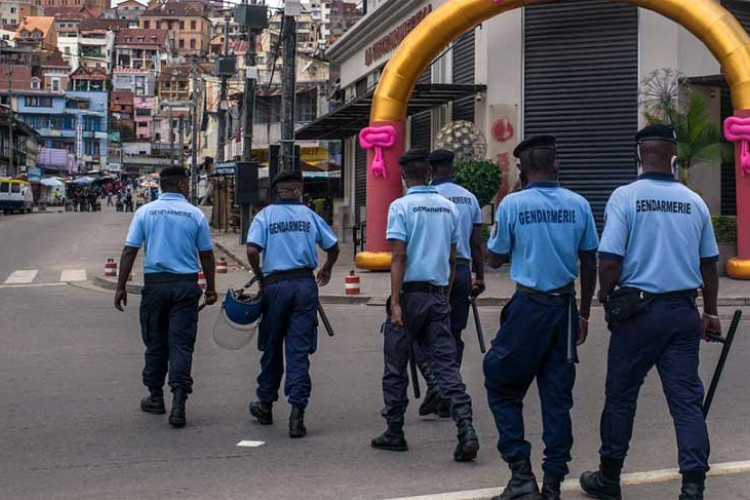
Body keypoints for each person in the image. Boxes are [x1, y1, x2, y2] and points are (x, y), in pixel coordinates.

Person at [580, 125, 721, 500]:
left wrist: (604, 297)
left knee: (621, 397)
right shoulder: (695, 201)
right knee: (686, 401)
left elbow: (609, 261)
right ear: (673, 158)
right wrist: (711, 312)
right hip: (683, 313)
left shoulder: (625, 197)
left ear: (639, 157)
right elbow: (709, 264)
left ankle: (609, 478)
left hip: (638, 316)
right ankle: (693, 486)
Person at [484, 135, 599, 500]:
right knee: (557, 398)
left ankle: (521, 473)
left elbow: (494, 259)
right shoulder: (578, 204)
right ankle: (552, 484)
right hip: (565, 310)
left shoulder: (513, 204)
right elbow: (589, 259)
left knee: (500, 384)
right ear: (557, 164)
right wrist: (583, 313)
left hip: (528, 309)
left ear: (521, 169)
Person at [371, 148, 480, 462]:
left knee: (395, 367)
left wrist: (395, 303)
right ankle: (466, 428)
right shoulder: (448, 208)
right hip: (437, 294)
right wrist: (443, 295)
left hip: (409, 295)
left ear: (405, 176)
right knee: (446, 365)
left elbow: (399, 256)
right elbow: (452, 256)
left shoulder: (401, 206)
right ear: (430, 174)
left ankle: (394, 430)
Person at [114, 167, 218, 428]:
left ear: (161, 186)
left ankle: (155, 397)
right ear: (182, 185)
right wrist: (212, 288)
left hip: (155, 287)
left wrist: (120, 286)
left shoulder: (145, 212)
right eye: (187, 183)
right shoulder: (195, 214)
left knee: (155, 343)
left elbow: (130, 251)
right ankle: (179, 404)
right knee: (182, 345)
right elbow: (206, 254)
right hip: (185, 287)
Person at [246, 170, 339, 438]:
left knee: (272, 347)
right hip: (304, 286)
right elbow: (333, 246)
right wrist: (328, 268)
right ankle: (297, 415)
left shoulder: (264, 216)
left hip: (275, 286)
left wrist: (260, 275)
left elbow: (252, 250)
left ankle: (265, 404)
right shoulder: (310, 216)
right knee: (298, 351)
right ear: (298, 190)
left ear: (277, 192)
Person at [415, 149, 486, 418]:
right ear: (452, 168)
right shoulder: (469, 198)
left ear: (430, 170)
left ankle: (439, 385)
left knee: (423, 332)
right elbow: (477, 244)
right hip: (462, 272)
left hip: (430, 273)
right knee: (453, 334)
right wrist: (479, 277)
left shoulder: (424, 198)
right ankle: (449, 393)